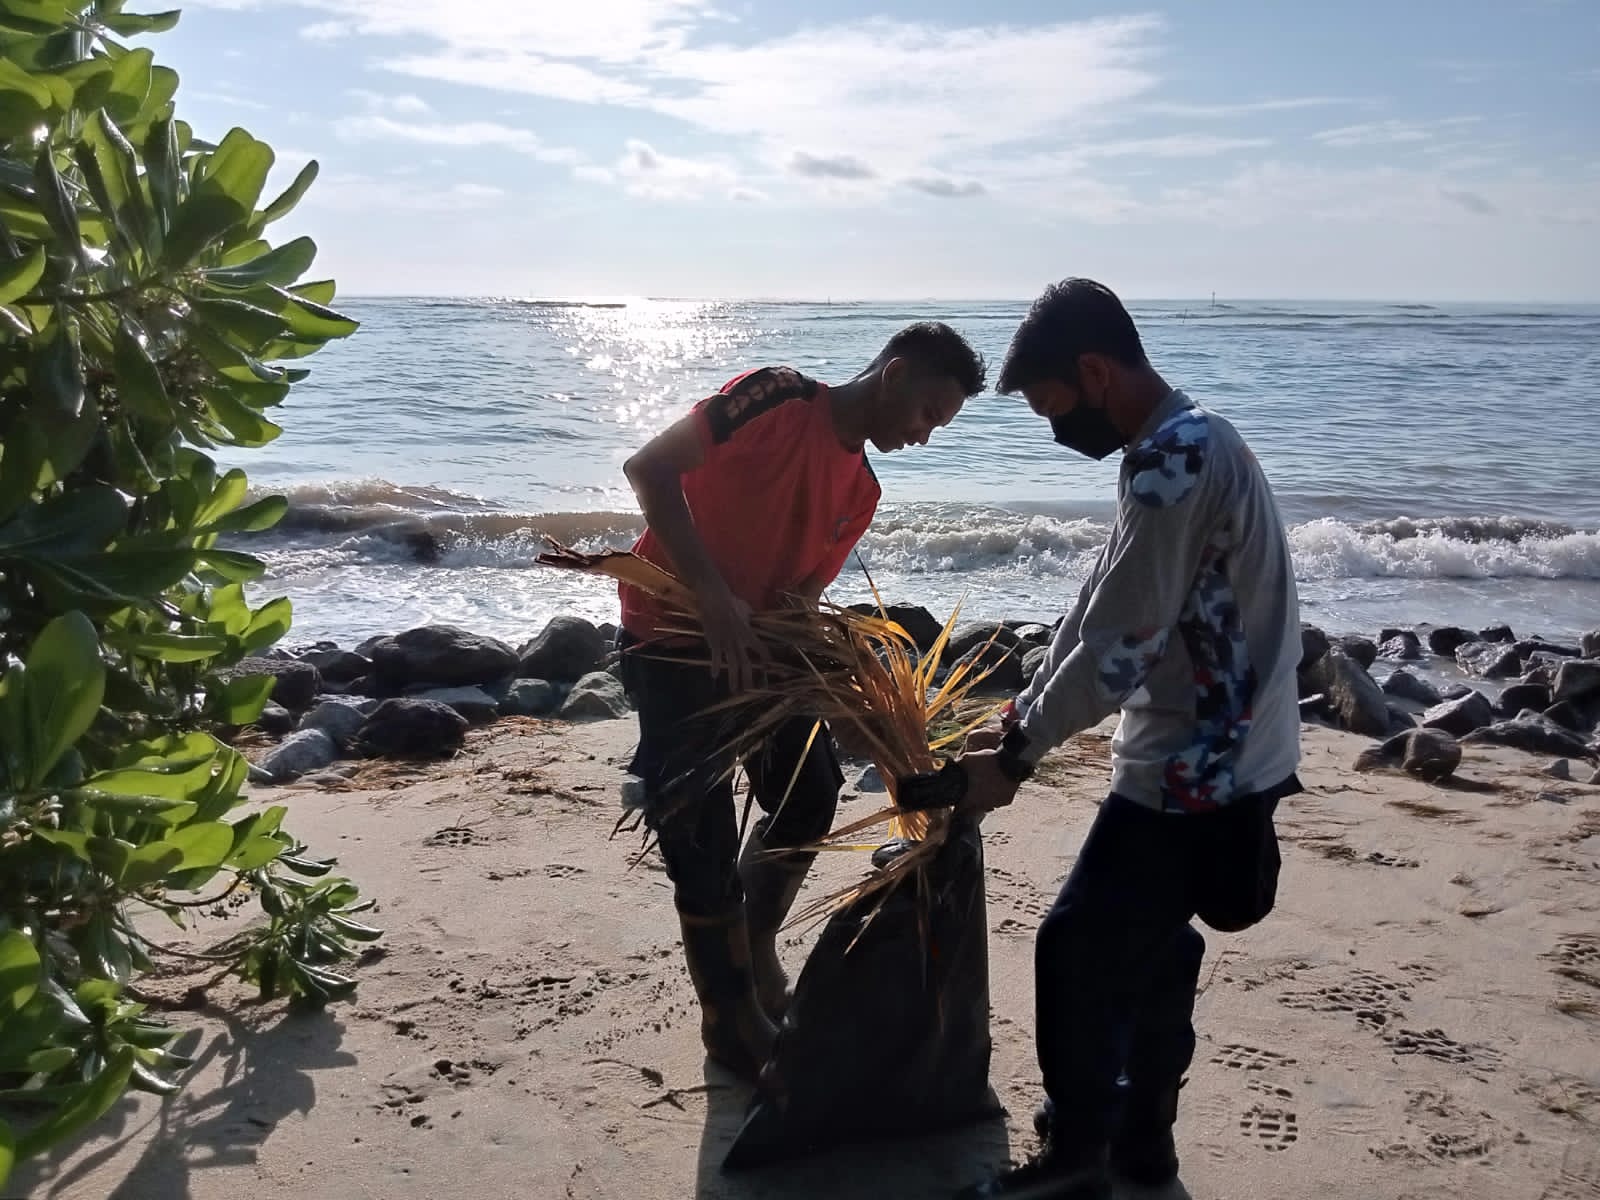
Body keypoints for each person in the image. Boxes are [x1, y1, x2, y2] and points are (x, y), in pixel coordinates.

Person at [956, 280, 1303, 1200]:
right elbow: (1102, 598)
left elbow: (1119, 648)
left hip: (1199, 768)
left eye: (1052, 406)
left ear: (1096, 371)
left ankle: (1079, 1160)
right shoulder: (1188, 439)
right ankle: (1143, 1145)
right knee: (1155, 942)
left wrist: (1020, 760)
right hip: (1233, 750)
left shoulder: (1169, 466)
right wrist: (1018, 718)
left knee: (1073, 946)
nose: (1052, 428)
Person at [616, 323, 987, 1082]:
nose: (923, 437)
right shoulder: (777, 396)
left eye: (939, 427)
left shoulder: (862, 491)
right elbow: (650, 469)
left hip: (760, 652)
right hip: (671, 633)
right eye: (925, 414)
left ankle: (749, 954)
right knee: (700, 824)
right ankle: (728, 1019)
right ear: (893, 375)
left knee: (810, 793)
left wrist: (837, 680)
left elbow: (799, 597)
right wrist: (715, 598)